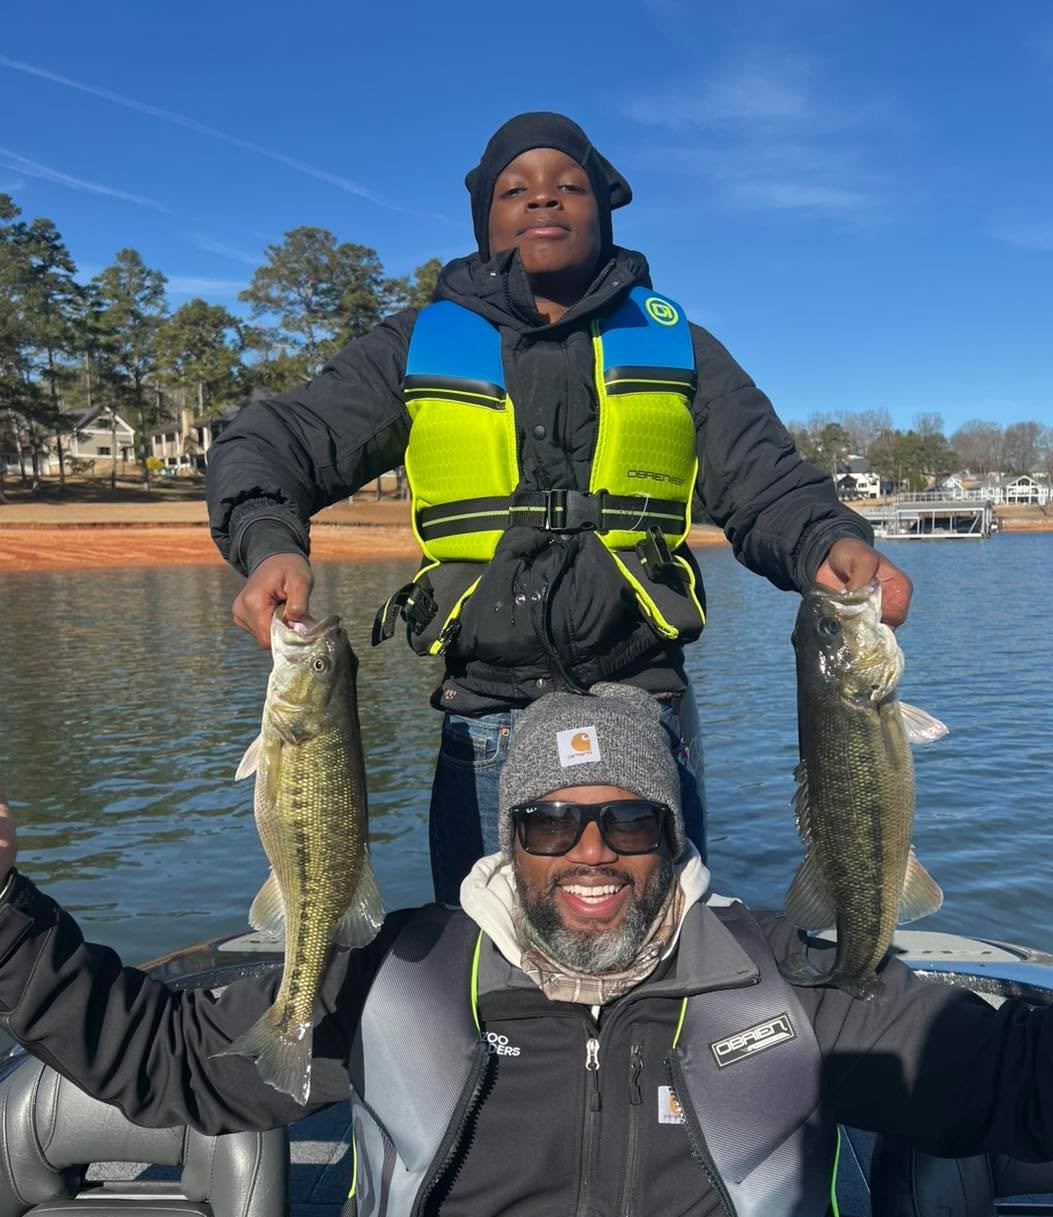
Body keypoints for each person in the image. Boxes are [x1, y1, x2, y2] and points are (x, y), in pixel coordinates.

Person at [4, 684, 1053, 1217]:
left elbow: (1019, 1080)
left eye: (628, 820)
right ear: (506, 838)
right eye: (550, 820)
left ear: (673, 834)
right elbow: (164, 1062)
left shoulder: (788, 982)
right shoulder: (395, 971)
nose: (591, 851)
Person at [205, 111, 913, 905]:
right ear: (487, 222)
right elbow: (270, 440)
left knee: (663, 961)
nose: (544, 199)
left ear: (603, 213)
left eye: (568, 185)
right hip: (485, 719)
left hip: (647, 708)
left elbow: (768, 481)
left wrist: (827, 540)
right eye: (517, 188)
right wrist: (269, 540)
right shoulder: (416, 344)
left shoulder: (679, 346)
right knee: (481, 974)